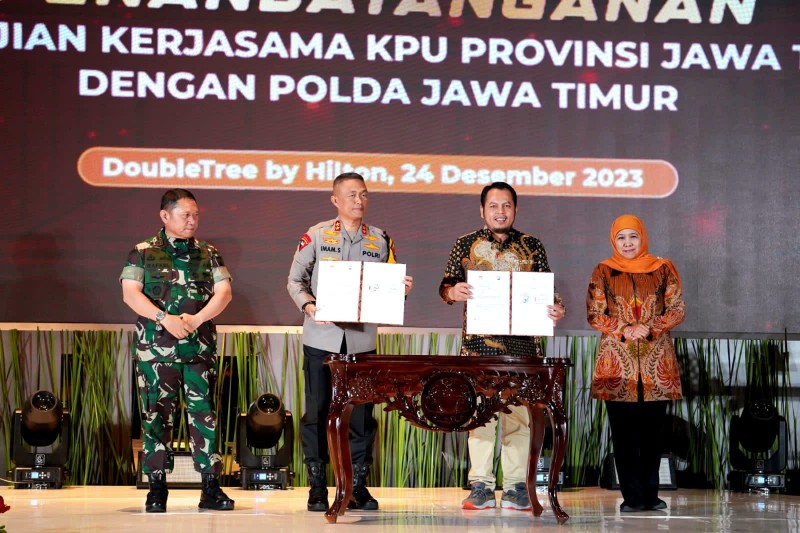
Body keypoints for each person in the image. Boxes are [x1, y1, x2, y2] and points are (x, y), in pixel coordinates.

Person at [287, 172, 414, 512]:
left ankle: (357, 485)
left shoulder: (381, 239)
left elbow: (391, 285)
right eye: (352, 195)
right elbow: (295, 281)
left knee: (361, 417)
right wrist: (310, 307)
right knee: (316, 414)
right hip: (321, 338)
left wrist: (400, 289)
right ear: (335, 200)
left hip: (361, 342)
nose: (359, 201)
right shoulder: (316, 235)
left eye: (364, 194)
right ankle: (317, 487)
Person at [438, 182, 565, 511]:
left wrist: (556, 307)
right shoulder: (465, 244)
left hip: (522, 349)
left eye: (506, 205)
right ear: (482, 210)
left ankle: (514, 487)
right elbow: (446, 285)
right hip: (478, 347)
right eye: (493, 205)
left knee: (518, 418)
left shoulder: (532, 245)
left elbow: (546, 288)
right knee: (480, 418)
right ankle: (480, 486)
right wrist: (453, 292)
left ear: (515, 209)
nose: (500, 211)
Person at [120, 189, 235, 513]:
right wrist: (164, 318)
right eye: (185, 215)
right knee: (155, 416)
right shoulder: (143, 252)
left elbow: (224, 293)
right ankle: (156, 488)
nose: (192, 221)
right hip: (156, 352)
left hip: (198, 350)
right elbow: (130, 293)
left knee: (204, 416)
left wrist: (196, 319)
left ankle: (210, 488)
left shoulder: (209, 252)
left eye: (196, 215)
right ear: (165, 216)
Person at [586, 214, 685, 512]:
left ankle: (651, 496)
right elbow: (594, 313)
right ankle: (631, 497)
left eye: (633, 236)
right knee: (624, 434)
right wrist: (624, 329)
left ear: (642, 238)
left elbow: (677, 308)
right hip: (617, 364)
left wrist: (649, 327)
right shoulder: (604, 270)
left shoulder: (662, 268)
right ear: (613, 241)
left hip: (657, 363)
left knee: (654, 434)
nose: (627, 243)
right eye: (621, 237)